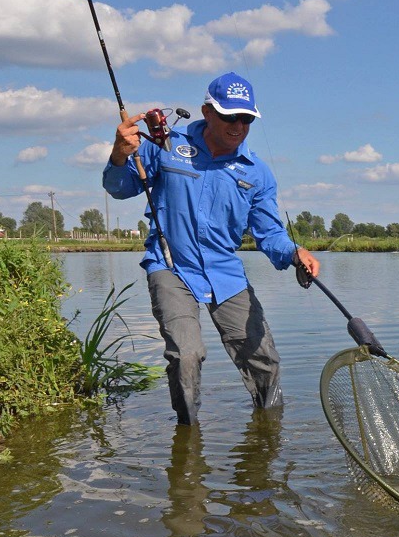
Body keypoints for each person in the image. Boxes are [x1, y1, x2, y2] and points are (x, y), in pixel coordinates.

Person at [103, 71, 319, 425]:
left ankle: (268, 433)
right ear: (207, 111)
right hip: (170, 266)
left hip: (225, 272)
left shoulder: (257, 173)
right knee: (186, 354)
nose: (239, 125)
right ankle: (187, 437)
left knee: (263, 358)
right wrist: (118, 155)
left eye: (246, 118)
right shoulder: (166, 146)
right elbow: (120, 187)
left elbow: (269, 233)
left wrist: (296, 252)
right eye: (230, 116)